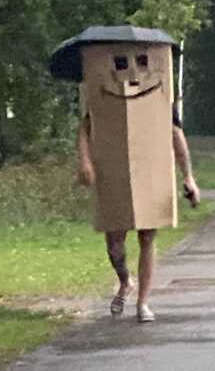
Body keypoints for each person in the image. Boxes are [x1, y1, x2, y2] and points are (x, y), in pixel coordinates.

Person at [77, 103, 200, 322]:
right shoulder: (106, 91)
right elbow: (86, 128)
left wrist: (188, 177)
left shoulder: (158, 95)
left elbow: (176, 134)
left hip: (149, 174)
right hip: (115, 175)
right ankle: (125, 281)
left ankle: (143, 302)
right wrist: (85, 160)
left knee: (147, 236)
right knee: (115, 243)